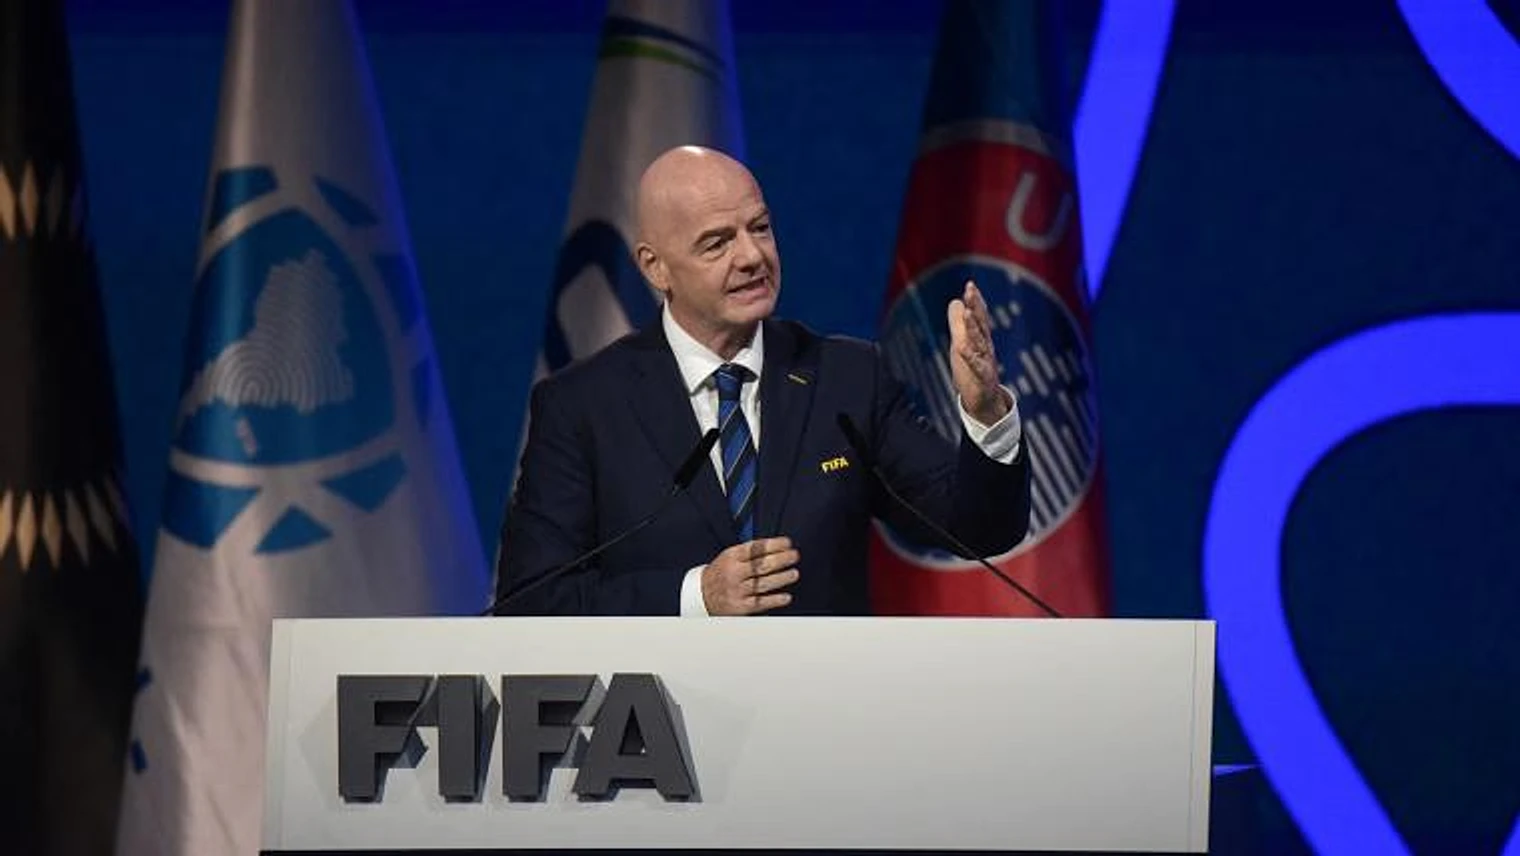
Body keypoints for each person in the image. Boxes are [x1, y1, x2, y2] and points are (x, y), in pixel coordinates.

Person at [495, 146, 1030, 616]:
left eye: (760, 228)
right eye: (716, 243)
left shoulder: (847, 379)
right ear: (656, 268)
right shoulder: (583, 406)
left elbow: (979, 529)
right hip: (662, 699)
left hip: (820, 693)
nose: (752, 257)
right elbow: (532, 600)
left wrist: (986, 411)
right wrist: (697, 596)